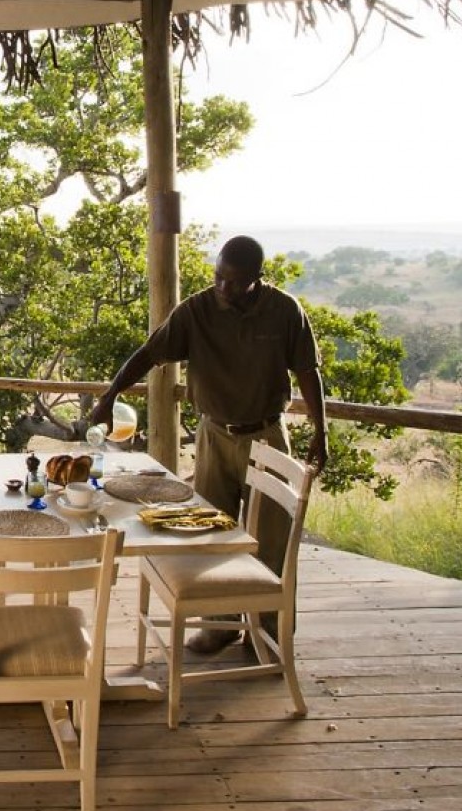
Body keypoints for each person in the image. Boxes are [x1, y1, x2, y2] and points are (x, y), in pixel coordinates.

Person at [89, 235, 328, 654]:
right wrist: (110, 396)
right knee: (211, 533)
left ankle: (268, 633)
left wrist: (321, 432)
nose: (222, 287)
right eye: (218, 277)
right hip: (215, 435)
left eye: (233, 281)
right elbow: (149, 354)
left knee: (271, 540)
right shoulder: (196, 311)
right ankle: (221, 626)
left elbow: (308, 372)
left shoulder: (284, 311)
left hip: (267, 435)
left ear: (256, 278)